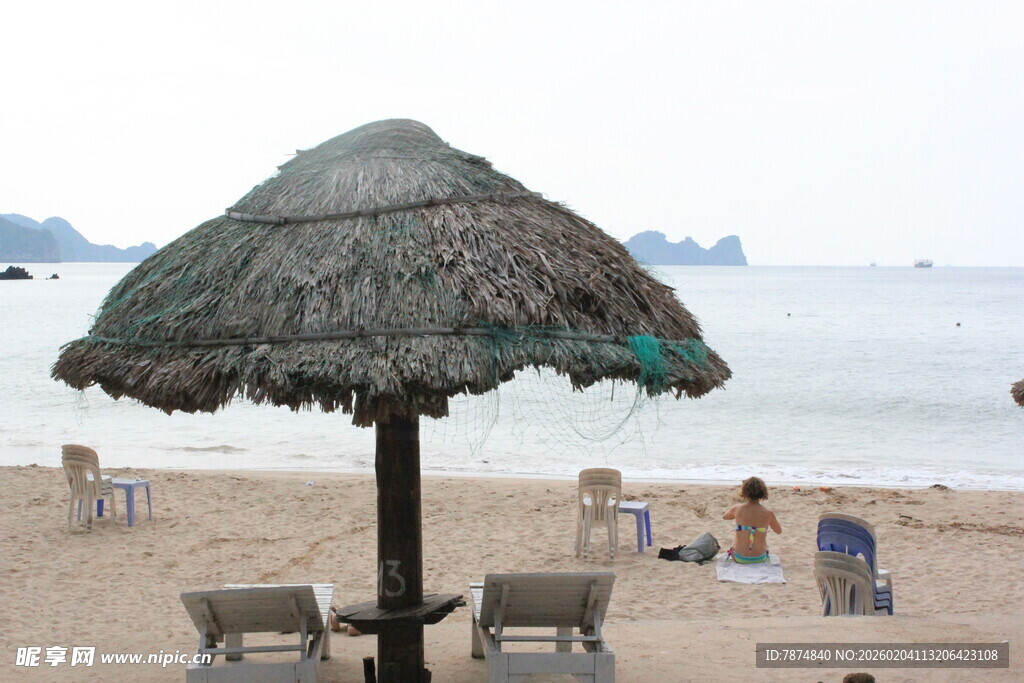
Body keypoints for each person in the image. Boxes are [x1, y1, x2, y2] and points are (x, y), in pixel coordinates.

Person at [722, 476, 781, 564]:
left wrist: (737, 517)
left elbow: (725, 517)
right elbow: (778, 531)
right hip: (760, 558)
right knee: (758, 531)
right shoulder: (768, 513)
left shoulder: (737, 509)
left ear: (744, 491)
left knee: (740, 531)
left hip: (739, 558)